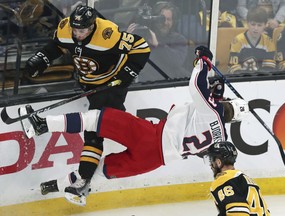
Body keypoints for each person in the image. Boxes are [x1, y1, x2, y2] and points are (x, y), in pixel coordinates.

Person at [20, 46, 250, 206]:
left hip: (150, 137)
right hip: (153, 161)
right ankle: (53, 187)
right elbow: (215, 108)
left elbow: (196, 86)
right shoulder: (219, 135)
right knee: (98, 171)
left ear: (228, 104)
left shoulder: (208, 110)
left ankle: (41, 125)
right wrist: (218, 91)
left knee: (96, 119)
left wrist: (203, 59)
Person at [23, 4, 150, 204]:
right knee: (103, 127)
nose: (77, 34)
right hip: (88, 83)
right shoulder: (66, 27)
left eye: (82, 31)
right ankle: (74, 180)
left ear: (92, 27)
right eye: (75, 29)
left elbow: (141, 47)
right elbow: (56, 45)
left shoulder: (108, 33)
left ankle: (82, 182)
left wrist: (125, 77)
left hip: (110, 85)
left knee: (94, 129)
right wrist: (41, 59)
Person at [127, 1, 190, 81]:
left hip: (165, 85)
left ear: (173, 22)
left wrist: (158, 45)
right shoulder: (141, 36)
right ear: (154, 18)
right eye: (162, 19)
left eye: (169, 19)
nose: (165, 23)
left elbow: (176, 62)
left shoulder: (178, 39)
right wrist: (126, 40)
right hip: (141, 86)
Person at [204, 141, 271, 215]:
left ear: (218, 162)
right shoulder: (243, 178)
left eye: (211, 160)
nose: (211, 165)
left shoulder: (224, 180)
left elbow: (238, 213)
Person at [228, 7, 276, 73]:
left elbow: (269, 69)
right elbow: (234, 68)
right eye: (253, 24)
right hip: (240, 79)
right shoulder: (237, 41)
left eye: (259, 25)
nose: (255, 28)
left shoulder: (269, 42)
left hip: (261, 80)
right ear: (247, 23)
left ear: (265, 25)